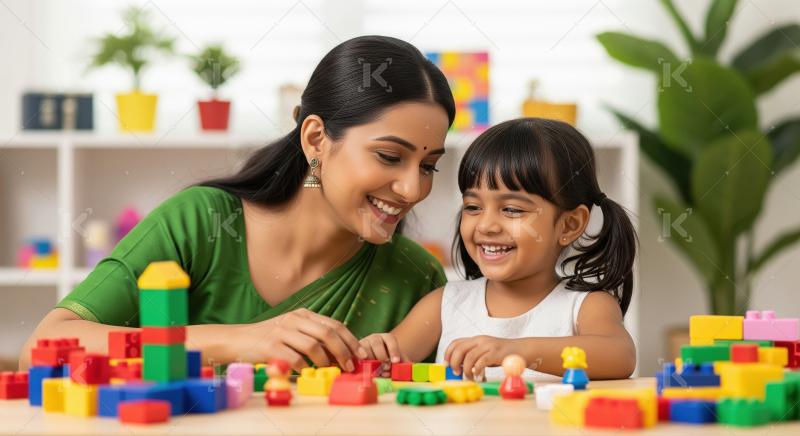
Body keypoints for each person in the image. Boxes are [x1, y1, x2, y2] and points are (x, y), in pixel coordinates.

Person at [19, 35, 456, 372]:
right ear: (316, 139)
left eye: (429, 166)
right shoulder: (201, 223)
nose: (412, 189)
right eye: (390, 157)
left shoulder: (416, 279)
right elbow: (43, 350)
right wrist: (239, 341)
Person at [360, 118, 637, 380]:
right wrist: (377, 351)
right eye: (473, 207)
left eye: (512, 209)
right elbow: (390, 360)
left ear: (569, 225)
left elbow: (620, 356)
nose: (486, 225)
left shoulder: (586, 306)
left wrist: (517, 350)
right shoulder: (445, 303)